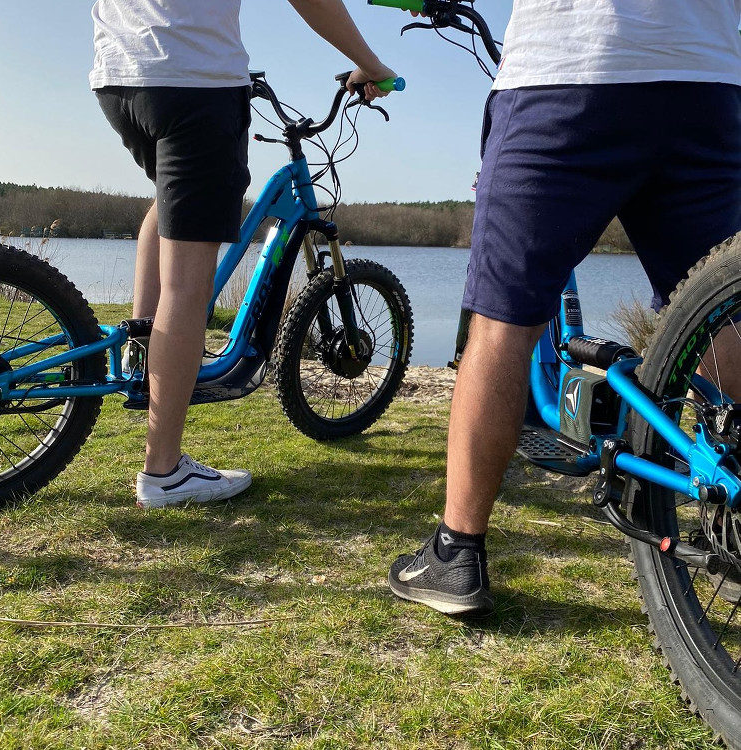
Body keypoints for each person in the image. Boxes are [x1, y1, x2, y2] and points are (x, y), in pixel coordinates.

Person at [389, 0, 741, 615]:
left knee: (503, 323)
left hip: (566, 69)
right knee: (720, 314)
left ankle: (456, 551)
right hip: (704, 78)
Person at [90, 1, 395, 509]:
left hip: (120, 75)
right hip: (193, 78)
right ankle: (163, 472)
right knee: (188, 287)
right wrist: (372, 63)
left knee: (166, 213)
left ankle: (144, 361)